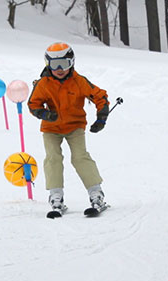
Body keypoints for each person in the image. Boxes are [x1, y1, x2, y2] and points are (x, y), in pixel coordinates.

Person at [27, 42, 110, 216]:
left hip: (75, 126)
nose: (59, 69)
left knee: (80, 157)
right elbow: (33, 104)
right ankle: (56, 196)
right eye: (54, 64)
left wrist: (101, 118)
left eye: (63, 64)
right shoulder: (43, 84)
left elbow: (100, 96)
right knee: (53, 158)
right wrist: (45, 114)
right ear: (47, 64)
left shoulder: (79, 81)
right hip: (51, 128)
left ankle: (96, 193)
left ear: (71, 62)